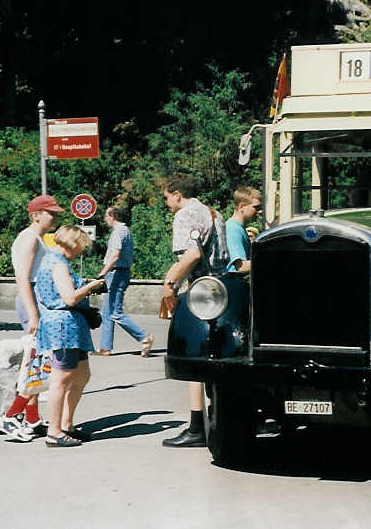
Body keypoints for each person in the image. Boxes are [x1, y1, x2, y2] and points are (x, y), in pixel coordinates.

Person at [159, 175, 229, 447]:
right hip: (223, 288)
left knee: (194, 355)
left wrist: (169, 283)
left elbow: (191, 256)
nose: (167, 203)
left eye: (166, 197)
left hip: (200, 292)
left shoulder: (185, 215)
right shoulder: (214, 213)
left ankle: (196, 425)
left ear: (177, 194)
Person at [0, 194, 62, 442]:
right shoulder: (30, 240)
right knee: (38, 361)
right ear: (36, 215)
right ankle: (11, 416)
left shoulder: (37, 239)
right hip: (32, 301)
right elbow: (22, 278)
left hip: (37, 300)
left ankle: (31, 418)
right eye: (50, 213)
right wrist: (34, 315)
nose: (55, 217)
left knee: (40, 361)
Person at [35, 225, 107, 447]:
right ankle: (54, 432)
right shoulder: (58, 264)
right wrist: (90, 287)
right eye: (81, 246)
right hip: (63, 326)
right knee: (61, 379)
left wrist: (84, 286)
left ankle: (66, 425)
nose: (82, 251)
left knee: (81, 375)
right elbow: (69, 298)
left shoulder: (56, 261)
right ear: (73, 243)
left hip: (70, 327)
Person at [93, 206, 153, 357]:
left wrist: (102, 274)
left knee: (115, 313)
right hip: (119, 273)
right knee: (107, 313)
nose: (105, 219)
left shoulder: (119, 231)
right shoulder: (124, 230)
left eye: (106, 216)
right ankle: (105, 348)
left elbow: (115, 255)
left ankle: (144, 336)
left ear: (112, 216)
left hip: (116, 274)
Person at [225, 186, 261, 273]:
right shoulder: (233, 229)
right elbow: (241, 266)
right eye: (256, 207)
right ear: (242, 206)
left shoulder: (239, 227)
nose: (259, 211)